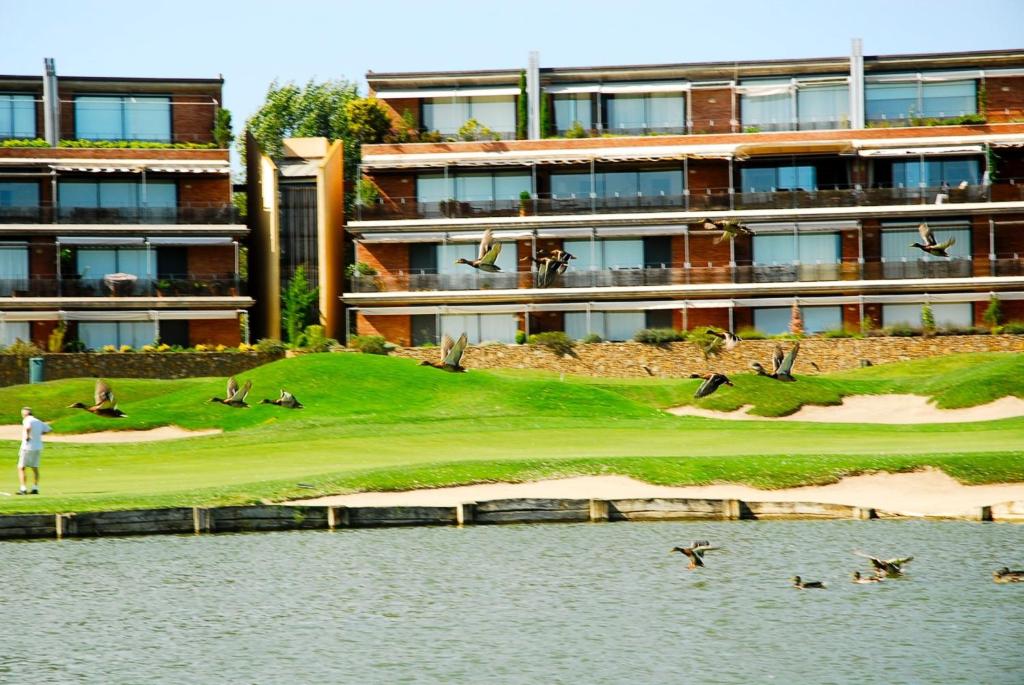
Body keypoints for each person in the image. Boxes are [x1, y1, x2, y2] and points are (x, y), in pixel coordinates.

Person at [16, 407, 51, 495]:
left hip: (27, 447)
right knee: (35, 468)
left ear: (24, 414)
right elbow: (49, 429)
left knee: (21, 467)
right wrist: (38, 434)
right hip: (37, 447)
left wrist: (27, 436)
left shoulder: (27, 420)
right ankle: (35, 488)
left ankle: (23, 489)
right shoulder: (38, 421)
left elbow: (28, 427)